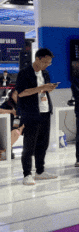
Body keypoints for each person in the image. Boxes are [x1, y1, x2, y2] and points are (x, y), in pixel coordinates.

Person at [16, 48, 58, 185]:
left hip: (45, 112)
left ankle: (40, 171)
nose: (47, 65)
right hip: (31, 113)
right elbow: (21, 93)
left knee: (43, 144)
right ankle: (27, 174)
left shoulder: (45, 73)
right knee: (29, 145)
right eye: (45, 62)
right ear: (37, 59)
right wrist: (41, 88)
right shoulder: (24, 73)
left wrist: (49, 88)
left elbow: (43, 92)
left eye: (49, 63)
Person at [0, 89, 23, 160]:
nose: (17, 96)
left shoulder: (22, 104)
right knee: (14, 132)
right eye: (15, 94)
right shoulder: (8, 103)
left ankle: (5, 151)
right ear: (11, 95)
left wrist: (22, 127)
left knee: (17, 131)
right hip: (8, 126)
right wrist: (11, 111)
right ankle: (6, 151)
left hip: (19, 126)